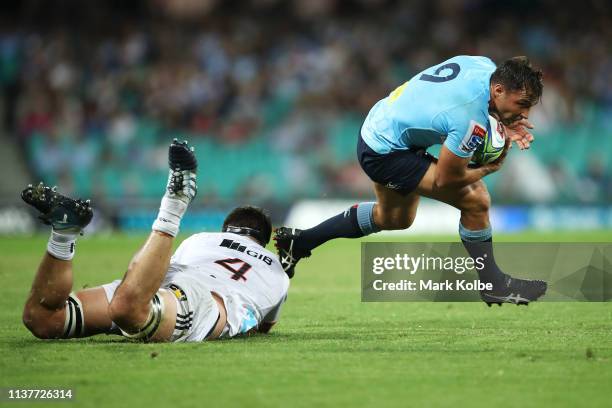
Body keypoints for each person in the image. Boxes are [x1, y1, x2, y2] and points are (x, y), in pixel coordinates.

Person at [274, 55, 547, 306]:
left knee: (395, 219)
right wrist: (489, 168)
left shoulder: (484, 65)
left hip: (382, 124)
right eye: (522, 105)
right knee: (476, 199)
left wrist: (503, 116)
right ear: (498, 90)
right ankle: (493, 284)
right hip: (385, 152)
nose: (525, 115)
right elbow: (447, 179)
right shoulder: (469, 118)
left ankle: (300, 241)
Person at [21, 139, 289, 341]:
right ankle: (174, 205)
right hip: (204, 305)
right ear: (262, 240)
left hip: (160, 289)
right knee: (128, 309)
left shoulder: (203, 239)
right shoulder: (277, 269)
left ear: (226, 229)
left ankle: (63, 235)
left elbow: (159, 270)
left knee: (42, 319)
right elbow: (263, 327)